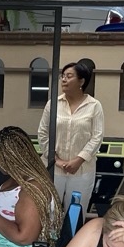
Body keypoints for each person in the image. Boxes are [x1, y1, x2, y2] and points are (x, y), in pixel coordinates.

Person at [37, 60, 104, 214]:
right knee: (49, 210)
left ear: (81, 81)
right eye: (63, 76)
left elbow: (97, 136)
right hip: (53, 168)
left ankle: (73, 238)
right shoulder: (53, 104)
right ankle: (49, 239)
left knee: (75, 212)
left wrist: (78, 160)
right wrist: (57, 160)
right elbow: (43, 132)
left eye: (69, 76)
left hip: (82, 170)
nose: (64, 80)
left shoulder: (94, 106)